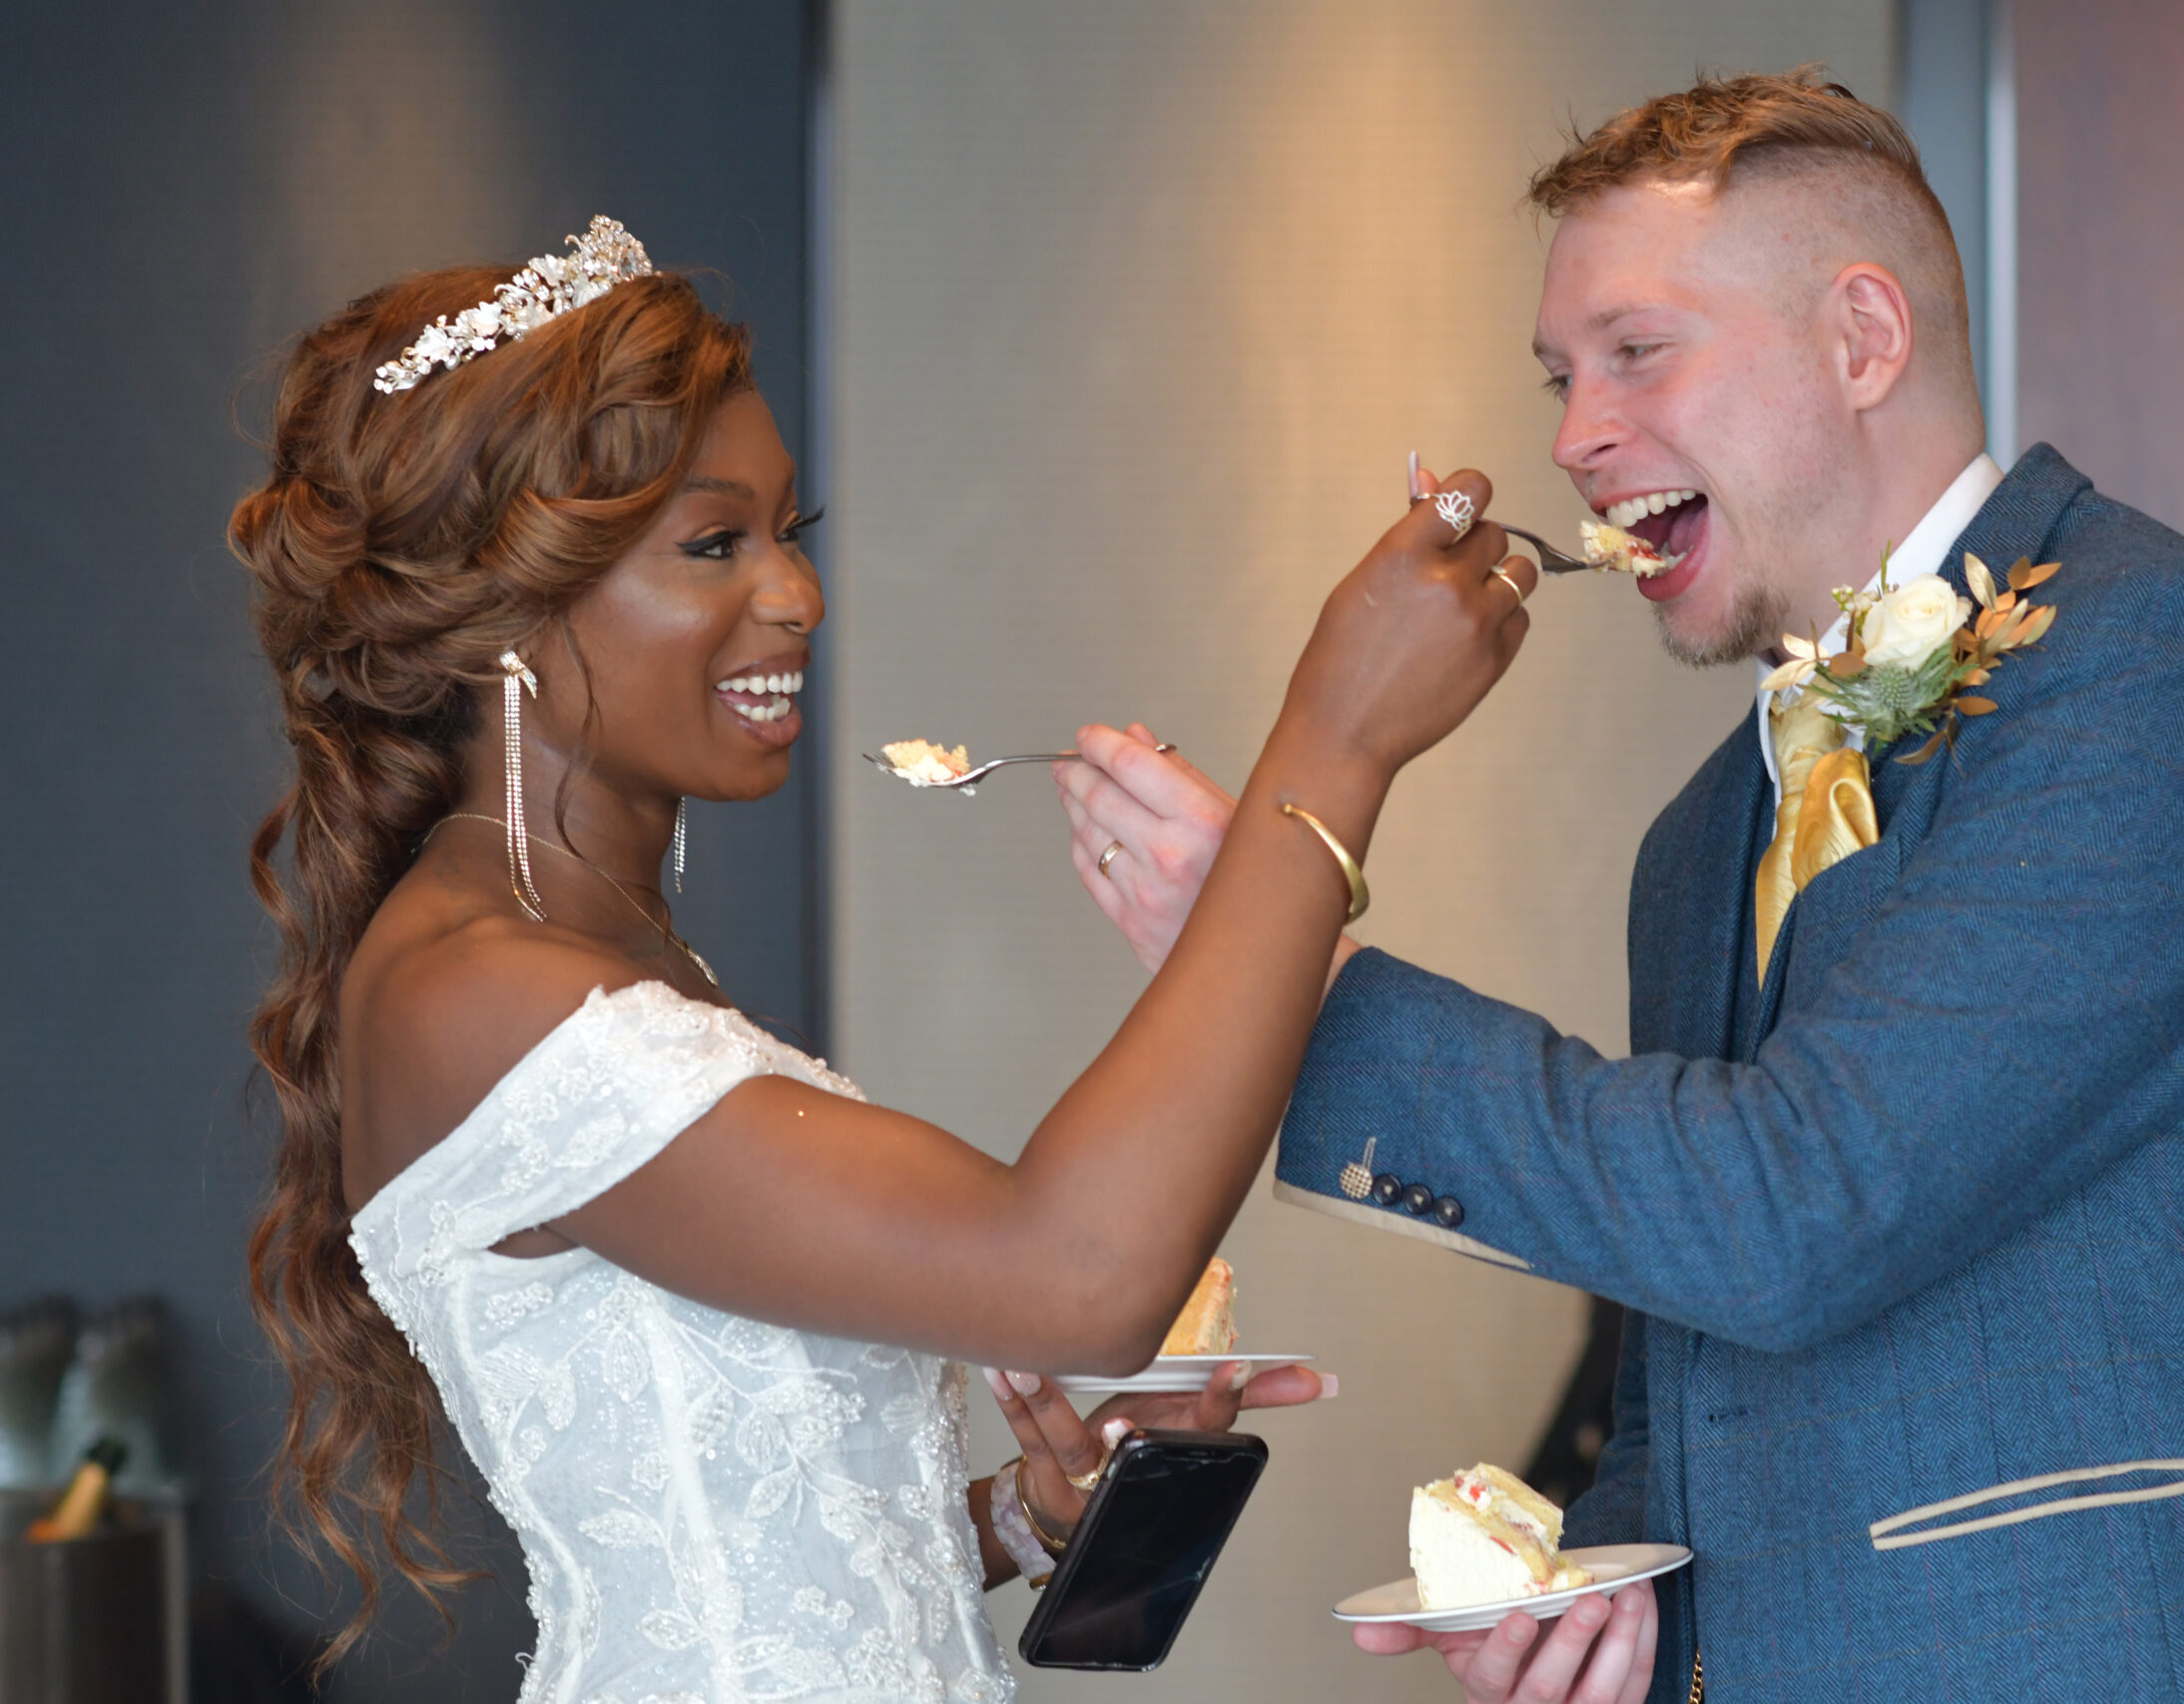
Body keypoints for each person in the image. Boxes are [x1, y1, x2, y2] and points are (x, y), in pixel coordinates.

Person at [1056, 73, 2184, 1702]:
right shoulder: (1702, 834)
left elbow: (1798, 1210)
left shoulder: (2158, 666)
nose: (1573, 437)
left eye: (1638, 353)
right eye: (1562, 378)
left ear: (1862, 339)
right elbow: (1699, 1364)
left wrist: (1288, 971)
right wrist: (1614, 1578)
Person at [234, 218, 1534, 1702]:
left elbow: (741, 1538)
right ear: (505, 610)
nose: (797, 596)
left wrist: (1020, 1517)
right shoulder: (481, 990)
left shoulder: (591, 952)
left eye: (794, 531)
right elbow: (1083, 1272)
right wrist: (1336, 740)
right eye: (716, 543)